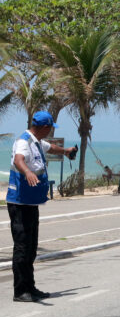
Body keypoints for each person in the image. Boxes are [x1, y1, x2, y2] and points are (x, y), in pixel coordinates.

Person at [6, 111, 77, 302]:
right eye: (50, 128)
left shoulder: (37, 141)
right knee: (22, 247)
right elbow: (18, 160)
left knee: (31, 247)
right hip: (19, 203)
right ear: (45, 127)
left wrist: (66, 150)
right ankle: (20, 291)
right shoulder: (24, 142)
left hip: (31, 203)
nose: (50, 131)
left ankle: (30, 287)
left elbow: (51, 147)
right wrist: (28, 172)